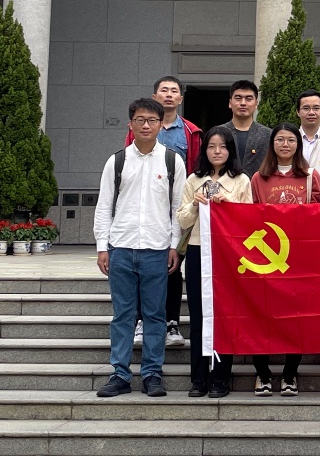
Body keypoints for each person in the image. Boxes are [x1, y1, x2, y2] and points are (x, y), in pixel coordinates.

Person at [92, 98, 185, 398]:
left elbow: (177, 208)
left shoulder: (172, 161)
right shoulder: (117, 161)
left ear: (161, 124)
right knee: (123, 315)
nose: (146, 125)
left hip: (157, 249)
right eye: (140, 120)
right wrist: (102, 246)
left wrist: (174, 246)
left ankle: (152, 374)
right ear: (130, 124)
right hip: (121, 247)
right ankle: (119, 374)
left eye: (152, 120)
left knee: (155, 315)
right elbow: (104, 205)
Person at [122, 76, 202, 349]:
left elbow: (196, 170)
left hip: (179, 209)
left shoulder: (190, 132)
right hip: (145, 209)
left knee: (173, 266)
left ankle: (171, 322)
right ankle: (141, 320)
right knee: (142, 268)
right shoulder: (140, 128)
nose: (169, 94)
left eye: (174, 91)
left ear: (180, 98)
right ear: (155, 96)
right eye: (163, 90)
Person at [176, 126, 251, 398]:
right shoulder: (194, 180)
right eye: (211, 146)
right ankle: (199, 378)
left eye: (222, 147)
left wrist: (226, 202)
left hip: (227, 254)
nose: (217, 152)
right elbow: (182, 219)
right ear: (204, 150)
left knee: (224, 315)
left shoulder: (241, 180)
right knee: (198, 315)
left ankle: (220, 377)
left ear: (230, 150)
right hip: (198, 250)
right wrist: (196, 205)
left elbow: (248, 219)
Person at [250, 123, 320, 397]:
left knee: (297, 318)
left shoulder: (310, 176)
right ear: (272, 144)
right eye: (280, 139)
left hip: (299, 257)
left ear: (298, 145)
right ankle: (262, 374)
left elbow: (317, 215)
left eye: (291, 140)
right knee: (259, 316)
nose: (285, 144)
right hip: (266, 256)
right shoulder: (259, 178)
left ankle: (290, 374)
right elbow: (249, 217)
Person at [220, 80, 272, 177]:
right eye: (238, 98)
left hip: (258, 185)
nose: (243, 103)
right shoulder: (218, 133)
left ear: (256, 104)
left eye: (248, 99)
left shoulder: (268, 135)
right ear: (230, 103)